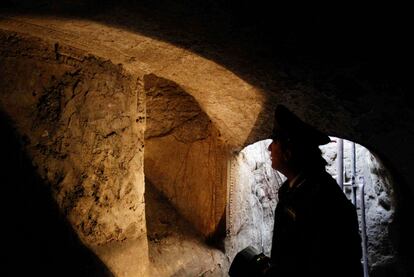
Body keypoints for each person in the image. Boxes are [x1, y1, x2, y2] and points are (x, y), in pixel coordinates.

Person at [265, 105, 363, 277]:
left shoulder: (324, 199)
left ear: (288, 152)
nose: (269, 148)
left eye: (275, 141)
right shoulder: (292, 190)